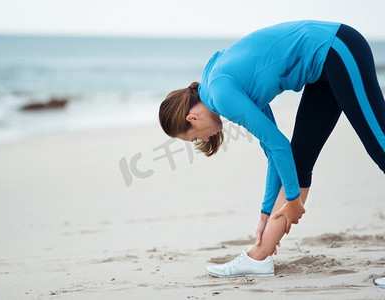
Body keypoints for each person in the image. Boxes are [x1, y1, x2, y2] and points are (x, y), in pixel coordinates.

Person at [158, 20, 385, 277]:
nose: (203, 139)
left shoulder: (221, 95)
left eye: (194, 139)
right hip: (322, 70)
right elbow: (272, 149)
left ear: (192, 120)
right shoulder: (216, 87)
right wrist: (266, 212)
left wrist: (292, 199)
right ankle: (258, 259)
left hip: (337, 47)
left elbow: (278, 144)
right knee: (298, 164)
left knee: (380, 147)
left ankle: (258, 256)